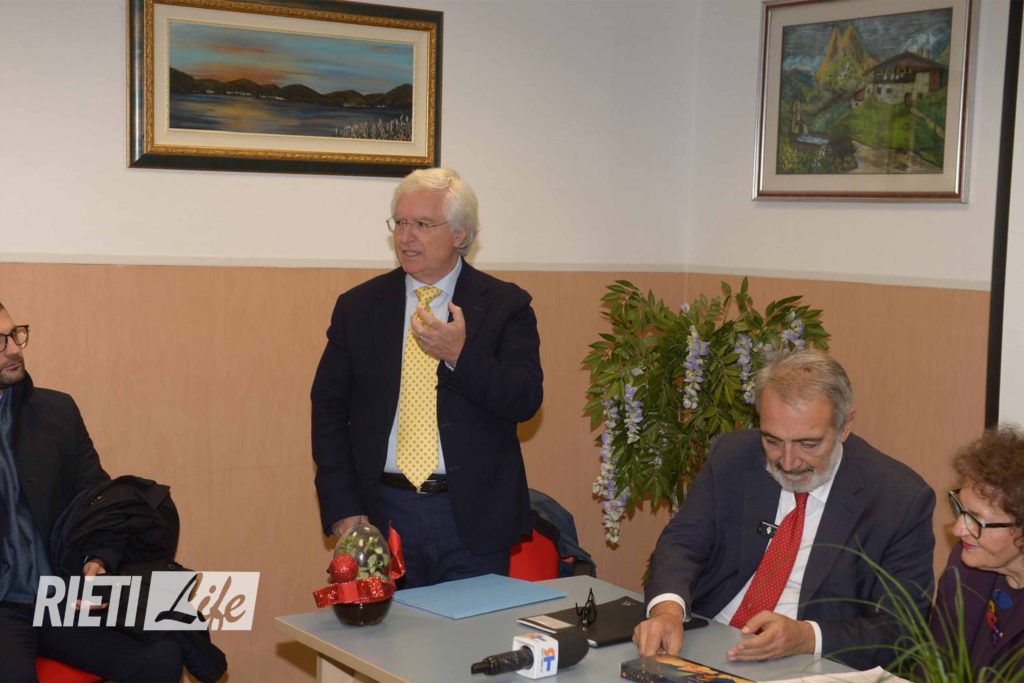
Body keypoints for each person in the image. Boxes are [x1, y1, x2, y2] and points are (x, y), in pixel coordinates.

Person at [311, 167, 543, 588]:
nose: (406, 237)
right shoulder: (359, 307)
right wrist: (343, 507)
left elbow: (524, 398)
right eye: (400, 222)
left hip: (472, 519)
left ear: (459, 233)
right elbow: (328, 410)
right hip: (381, 515)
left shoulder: (505, 305)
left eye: (422, 224)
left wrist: (459, 356)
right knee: (386, 634)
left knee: (472, 632)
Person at [634, 349, 935, 670]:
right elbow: (682, 542)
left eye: (808, 444)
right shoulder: (733, 455)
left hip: (810, 666)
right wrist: (667, 612)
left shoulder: (899, 500)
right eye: (772, 441)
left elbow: (903, 628)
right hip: (705, 644)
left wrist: (806, 637)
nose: (788, 463)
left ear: (845, 426)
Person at [0, 302, 184, 681]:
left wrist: (98, 557)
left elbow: (97, 501)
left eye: (15, 334)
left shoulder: (57, 411)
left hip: (61, 595)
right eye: (0, 341)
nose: (15, 348)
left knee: (161, 654)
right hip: (4, 608)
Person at [931, 427, 1024, 677]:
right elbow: (934, 663)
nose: (958, 529)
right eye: (960, 509)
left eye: (976, 519)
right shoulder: (964, 567)